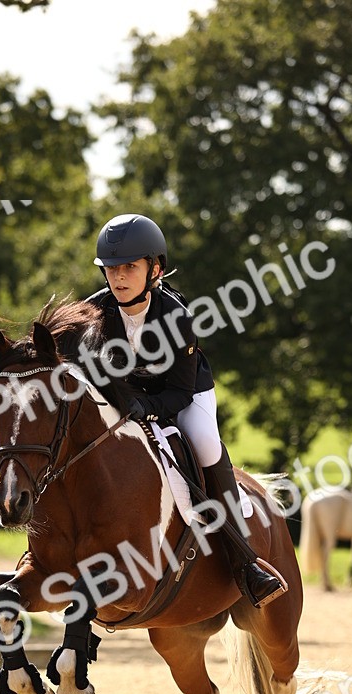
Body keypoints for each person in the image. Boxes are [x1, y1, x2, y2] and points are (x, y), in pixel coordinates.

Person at [84, 212, 286, 608]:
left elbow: (177, 392)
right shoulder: (94, 313)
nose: (118, 277)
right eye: (111, 269)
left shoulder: (176, 315)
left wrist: (147, 407)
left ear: (155, 268)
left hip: (185, 395)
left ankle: (245, 561)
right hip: (128, 401)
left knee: (207, 443)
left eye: (129, 267)